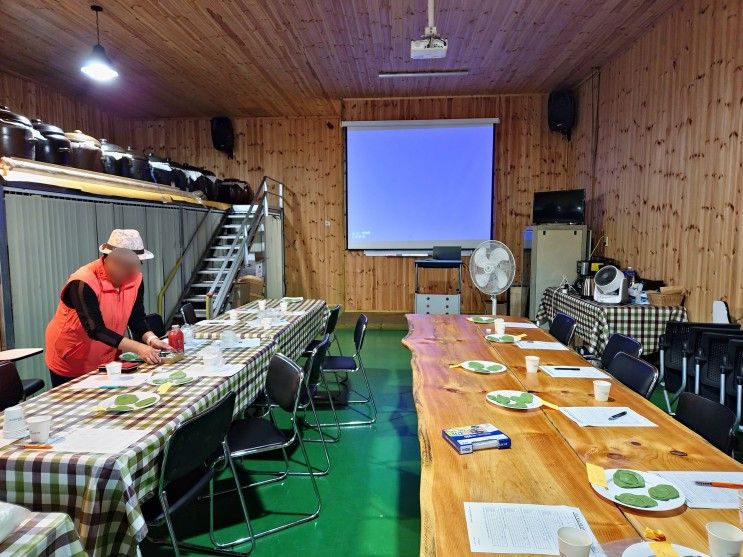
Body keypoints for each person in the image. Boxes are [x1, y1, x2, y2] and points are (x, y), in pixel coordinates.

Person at [45, 229, 171, 387]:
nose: (134, 273)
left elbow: (136, 317)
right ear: (110, 260)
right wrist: (139, 347)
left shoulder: (135, 279)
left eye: (137, 265)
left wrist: (151, 339)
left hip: (106, 358)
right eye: (127, 266)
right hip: (71, 359)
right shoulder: (84, 281)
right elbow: (95, 329)